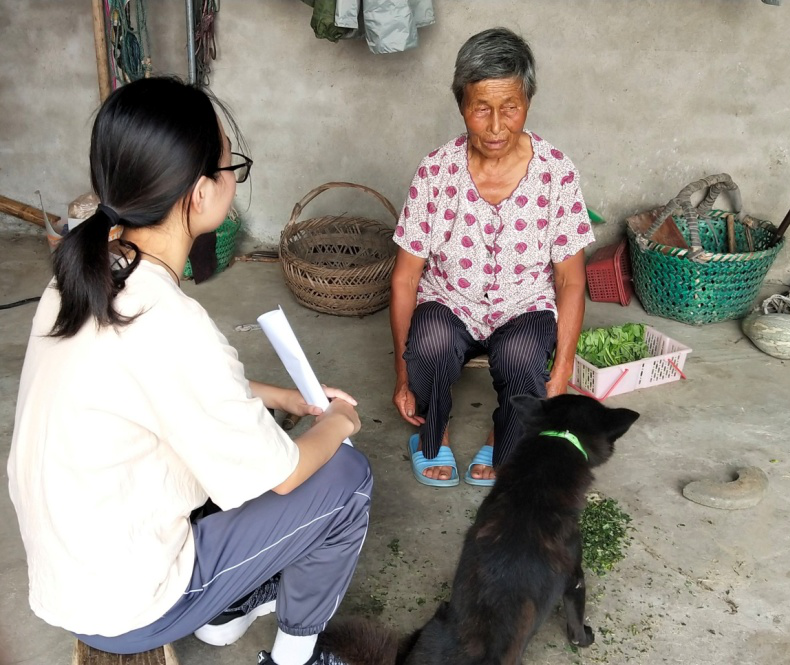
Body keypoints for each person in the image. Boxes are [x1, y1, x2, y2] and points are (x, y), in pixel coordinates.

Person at [7, 77, 370, 665]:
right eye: (232, 168)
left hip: (67, 577)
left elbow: (161, 387)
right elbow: (284, 475)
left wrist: (283, 396)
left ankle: (225, 614)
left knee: (250, 437)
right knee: (346, 477)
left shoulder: (82, 276)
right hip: (130, 607)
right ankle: (295, 657)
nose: (234, 181)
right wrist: (339, 422)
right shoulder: (170, 321)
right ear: (200, 194)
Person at [390, 27, 594, 488]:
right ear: (461, 104)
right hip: (451, 300)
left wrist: (562, 370)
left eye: (511, 108)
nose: (497, 126)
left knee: (522, 355)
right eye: (481, 108)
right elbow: (405, 279)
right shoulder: (436, 171)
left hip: (523, 304)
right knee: (430, 342)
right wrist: (402, 375)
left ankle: (505, 437)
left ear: (528, 102)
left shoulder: (556, 173)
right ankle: (433, 431)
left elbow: (570, 280)